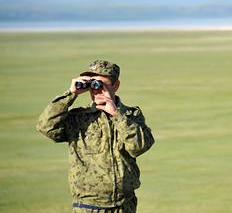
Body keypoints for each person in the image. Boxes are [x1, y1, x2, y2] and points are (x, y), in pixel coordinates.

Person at [37, 60, 155, 213]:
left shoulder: (131, 116)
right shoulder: (78, 118)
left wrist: (117, 115)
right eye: (92, 84)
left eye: (101, 84)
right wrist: (70, 94)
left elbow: (138, 147)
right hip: (87, 206)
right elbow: (45, 126)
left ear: (116, 85)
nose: (96, 89)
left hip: (124, 205)